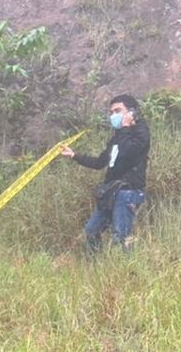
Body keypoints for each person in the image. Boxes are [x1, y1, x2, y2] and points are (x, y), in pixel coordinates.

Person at [60, 93, 150, 253]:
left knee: (121, 237)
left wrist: (126, 127)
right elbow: (100, 162)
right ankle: (94, 269)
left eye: (117, 110)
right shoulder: (117, 137)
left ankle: (127, 273)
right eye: (111, 112)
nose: (113, 116)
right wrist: (74, 155)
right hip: (110, 192)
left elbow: (129, 152)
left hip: (128, 191)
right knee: (91, 232)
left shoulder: (140, 131)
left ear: (131, 112)